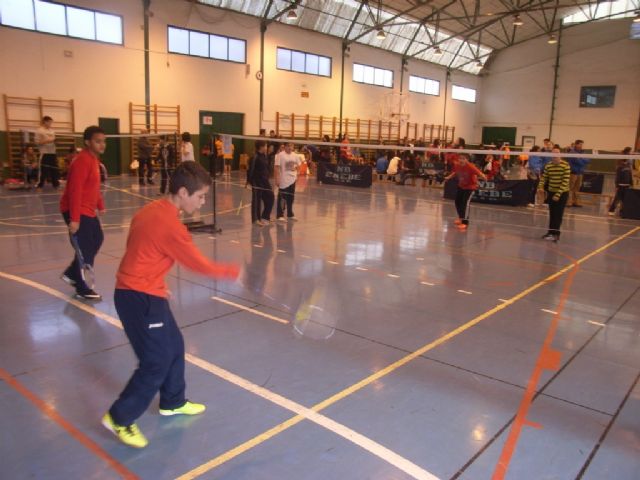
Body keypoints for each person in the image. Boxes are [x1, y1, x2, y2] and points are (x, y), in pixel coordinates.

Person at [102, 162, 239, 449]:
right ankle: (120, 418)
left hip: (145, 291)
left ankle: (172, 402)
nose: (202, 202)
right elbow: (199, 265)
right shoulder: (171, 226)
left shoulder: (149, 210)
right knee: (156, 361)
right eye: (200, 196)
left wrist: (154, 279)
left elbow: (138, 249)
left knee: (174, 345)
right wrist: (232, 272)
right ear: (183, 192)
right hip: (138, 297)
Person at [59, 126, 106, 300]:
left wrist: (100, 205)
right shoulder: (81, 161)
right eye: (97, 141)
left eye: (103, 141)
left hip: (88, 209)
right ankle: (81, 287)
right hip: (76, 209)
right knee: (85, 247)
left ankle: (72, 274)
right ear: (87, 142)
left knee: (97, 239)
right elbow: (75, 190)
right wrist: (74, 219)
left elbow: (94, 186)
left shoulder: (94, 160)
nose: (102, 145)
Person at [444, 153, 487, 231]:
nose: (461, 160)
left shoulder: (471, 167)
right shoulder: (457, 165)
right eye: (460, 158)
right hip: (461, 186)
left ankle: (465, 222)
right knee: (457, 201)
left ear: (467, 160)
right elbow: (455, 172)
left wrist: (484, 177)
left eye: (463, 159)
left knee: (465, 203)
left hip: (470, 187)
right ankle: (461, 218)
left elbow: (480, 173)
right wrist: (448, 177)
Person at [538, 146, 570, 242]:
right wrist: (540, 186)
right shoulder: (548, 165)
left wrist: (558, 194)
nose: (555, 156)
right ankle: (550, 232)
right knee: (552, 213)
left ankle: (556, 235)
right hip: (551, 192)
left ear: (560, 155)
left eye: (557, 154)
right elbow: (544, 177)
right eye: (553, 154)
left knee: (558, 214)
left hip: (562, 193)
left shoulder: (565, 165)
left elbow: (565, 181)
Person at [247, 140, 275, 225]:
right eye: (265, 146)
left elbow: (266, 168)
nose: (266, 147)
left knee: (270, 197)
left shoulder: (264, 156)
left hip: (265, 181)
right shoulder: (254, 157)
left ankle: (265, 217)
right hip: (257, 182)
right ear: (261, 147)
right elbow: (250, 170)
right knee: (257, 200)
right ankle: (256, 219)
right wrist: (249, 182)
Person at [274, 142, 301, 222]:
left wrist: (297, 173)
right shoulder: (280, 155)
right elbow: (276, 167)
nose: (290, 147)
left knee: (291, 198)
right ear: (284, 147)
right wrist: (277, 179)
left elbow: (299, 165)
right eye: (288, 146)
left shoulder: (295, 155)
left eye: (291, 146)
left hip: (292, 180)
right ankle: (280, 215)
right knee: (282, 198)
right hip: (283, 180)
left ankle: (290, 214)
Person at [36, 115, 60, 189]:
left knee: (54, 169)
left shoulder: (52, 131)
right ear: (45, 122)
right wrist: (49, 141)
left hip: (52, 153)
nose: (50, 124)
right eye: (49, 122)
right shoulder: (39, 131)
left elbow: (53, 140)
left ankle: (55, 184)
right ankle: (40, 184)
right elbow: (38, 142)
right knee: (44, 170)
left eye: (51, 122)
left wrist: (55, 142)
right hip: (44, 153)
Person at [567, 139, 589, 207]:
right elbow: (577, 161)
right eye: (580, 144)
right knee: (570, 187)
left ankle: (575, 202)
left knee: (577, 188)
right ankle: (568, 202)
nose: (581, 146)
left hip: (580, 173)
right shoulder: (572, 152)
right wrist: (582, 160)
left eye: (582, 144)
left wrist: (580, 159)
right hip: (573, 173)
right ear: (576, 144)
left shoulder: (584, 152)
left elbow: (587, 160)